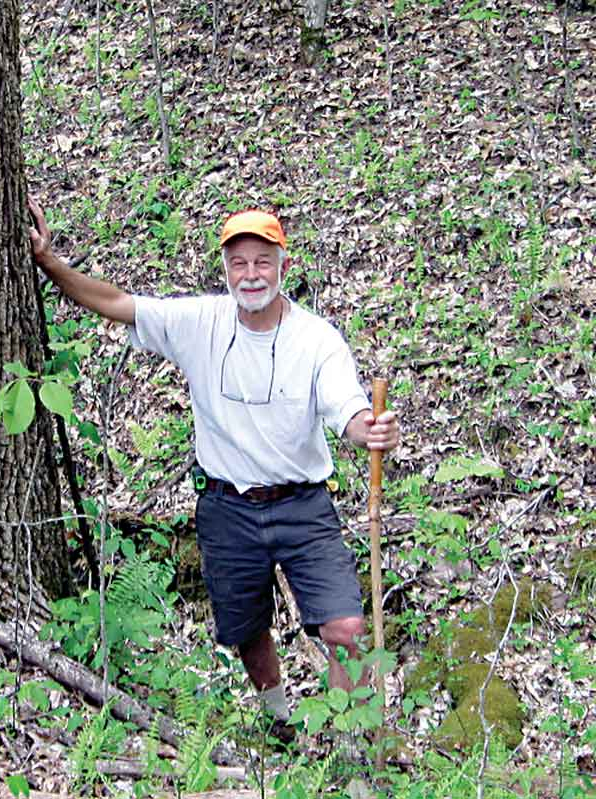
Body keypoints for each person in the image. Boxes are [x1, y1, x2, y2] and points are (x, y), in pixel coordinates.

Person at [27, 199, 399, 742]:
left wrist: (369, 429)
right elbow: (117, 304)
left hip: (302, 505)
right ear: (226, 270)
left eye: (262, 262)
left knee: (347, 628)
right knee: (247, 631)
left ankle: (344, 745)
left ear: (283, 268)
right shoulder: (199, 322)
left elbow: (348, 409)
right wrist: (51, 264)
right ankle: (281, 723)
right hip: (227, 507)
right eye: (239, 264)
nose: (251, 275)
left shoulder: (317, 339)